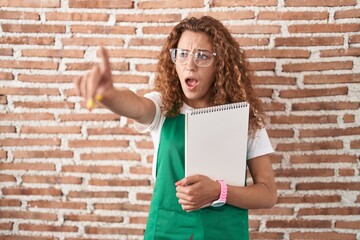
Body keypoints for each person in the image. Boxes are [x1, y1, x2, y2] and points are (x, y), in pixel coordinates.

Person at [74, 16, 277, 240]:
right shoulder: (163, 106)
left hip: (224, 233)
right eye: (182, 54)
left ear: (219, 64)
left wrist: (219, 191)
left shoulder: (244, 118)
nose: (190, 64)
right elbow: (135, 105)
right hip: (166, 231)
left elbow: (267, 194)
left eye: (202, 56)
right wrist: (108, 95)